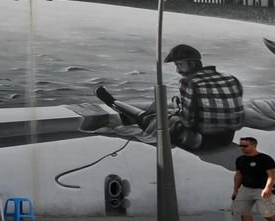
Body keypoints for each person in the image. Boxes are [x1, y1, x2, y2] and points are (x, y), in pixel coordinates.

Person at [96, 44, 244, 151]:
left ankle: (114, 102)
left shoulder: (189, 82)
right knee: (168, 116)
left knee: (153, 120)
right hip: (227, 138)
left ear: (192, 64)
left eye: (179, 65)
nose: (178, 70)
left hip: (201, 141)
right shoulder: (230, 78)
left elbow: (188, 121)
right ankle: (126, 113)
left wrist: (177, 109)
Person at [232, 136, 275, 221]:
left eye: (245, 146)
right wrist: (235, 190)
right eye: (241, 145)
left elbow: (271, 175)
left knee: (266, 212)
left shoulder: (265, 158)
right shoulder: (240, 159)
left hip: (262, 188)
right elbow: (238, 175)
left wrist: (268, 188)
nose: (242, 148)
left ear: (254, 145)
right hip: (246, 188)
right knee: (243, 210)